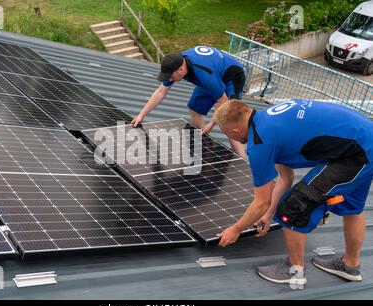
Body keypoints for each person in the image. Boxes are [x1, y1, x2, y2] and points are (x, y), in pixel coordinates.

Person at [212, 99, 373, 285]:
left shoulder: (259, 143)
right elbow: (285, 178)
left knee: (292, 207)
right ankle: (349, 265)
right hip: (364, 141)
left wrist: (236, 229)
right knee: (351, 207)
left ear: (234, 132)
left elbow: (260, 201)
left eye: (226, 133)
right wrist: (268, 214)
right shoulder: (267, 119)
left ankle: (295, 271)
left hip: (359, 153)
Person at [131, 46, 246, 157]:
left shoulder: (204, 75)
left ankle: (243, 162)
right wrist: (141, 115)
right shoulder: (176, 62)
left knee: (230, 121)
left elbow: (224, 102)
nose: (169, 80)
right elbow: (161, 91)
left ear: (181, 70)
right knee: (194, 109)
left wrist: (211, 124)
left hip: (232, 76)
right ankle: (205, 146)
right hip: (214, 74)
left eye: (170, 77)